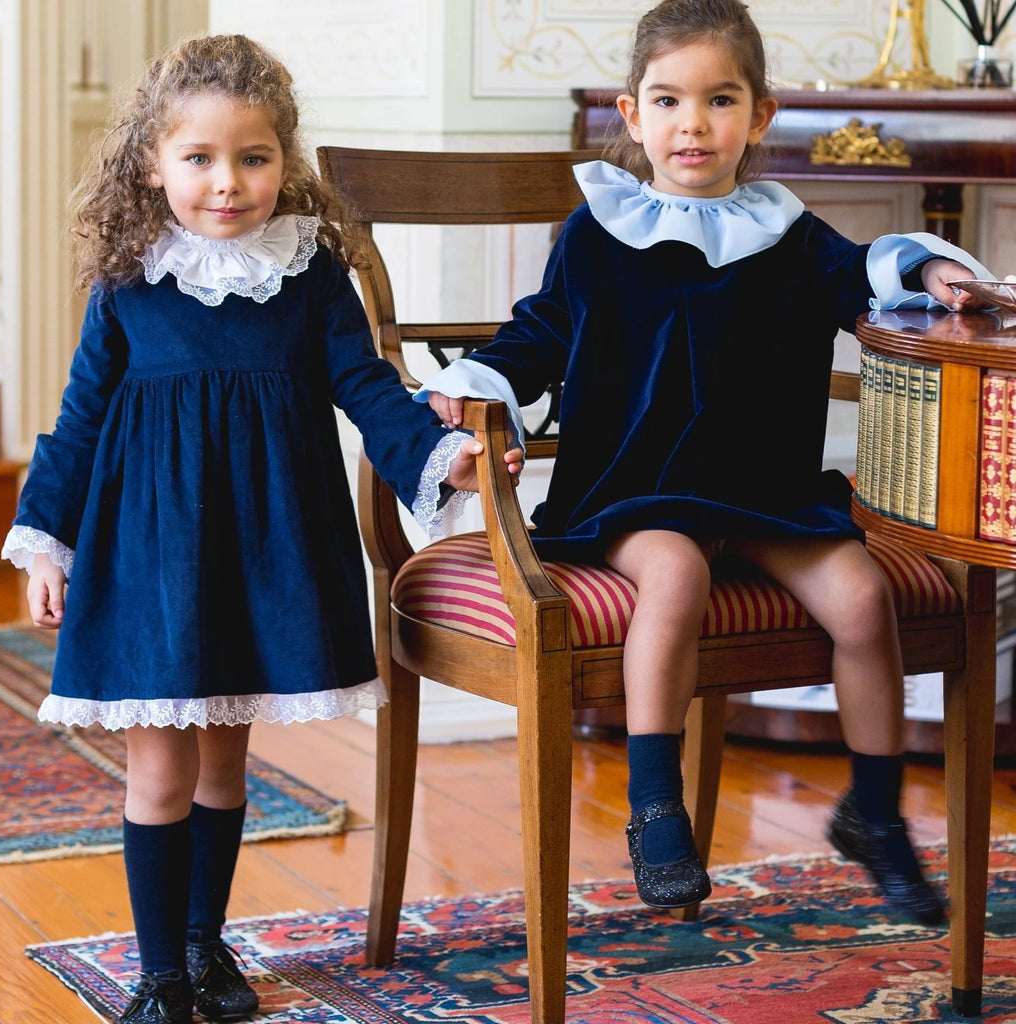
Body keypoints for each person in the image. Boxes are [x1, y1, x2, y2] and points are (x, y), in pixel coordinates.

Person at [419, 0, 995, 925]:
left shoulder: (787, 234)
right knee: (676, 573)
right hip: (636, 495)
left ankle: (876, 815)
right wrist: (474, 384)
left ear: (759, 116)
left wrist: (927, 272)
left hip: (763, 493)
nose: (694, 124)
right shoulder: (599, 235)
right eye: (670, 100)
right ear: (633, 113)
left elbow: (864, 273)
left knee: (861, 598)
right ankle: (656, 807)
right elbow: (539, 333)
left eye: (721, 100)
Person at [2, 34, 505, 1024]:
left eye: (253, 158)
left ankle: (203, 943)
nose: (227, 184)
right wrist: (41, 540)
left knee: (226, 764)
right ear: (154, 164)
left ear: (287, 161)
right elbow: (78, 419)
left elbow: (366, 383)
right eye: (199, 159)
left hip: (260, 547)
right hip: (148, 559)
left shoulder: (311, 272)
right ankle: (159, 979)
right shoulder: (129, 278)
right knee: (158, 767)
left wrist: (434, 452)